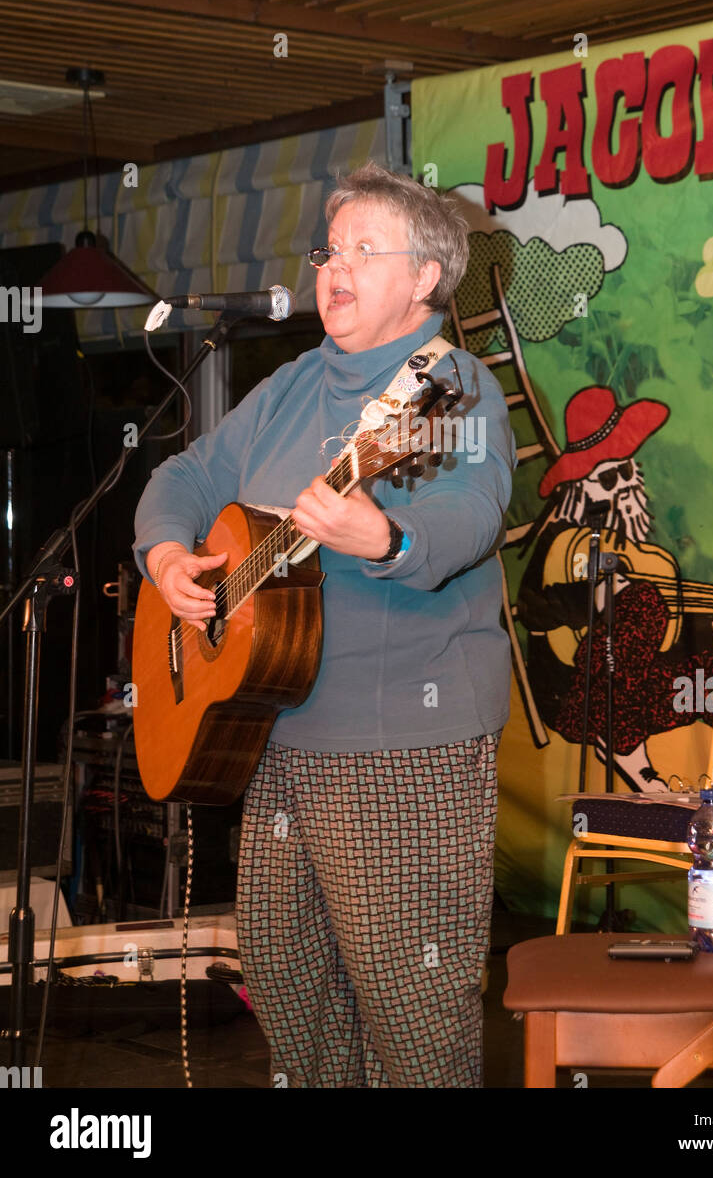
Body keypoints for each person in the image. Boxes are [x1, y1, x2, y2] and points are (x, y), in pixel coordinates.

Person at [133, 162, 517, 1088]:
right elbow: (178, 480)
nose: (334, 270)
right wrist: (168, 558)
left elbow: (476, 509)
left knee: (410, 1021)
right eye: (327, 251)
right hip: (269, 738)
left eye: (362, 250)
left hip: (401, 750)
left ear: (424, 277)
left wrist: (383, 534)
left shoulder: (451, 391)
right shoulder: (291, 385)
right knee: (293, 1005)